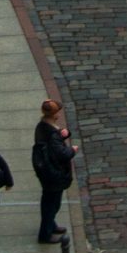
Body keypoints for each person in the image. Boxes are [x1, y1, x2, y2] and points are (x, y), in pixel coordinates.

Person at [31, 98, 76, 242]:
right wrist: (72, 150)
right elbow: (62, 154)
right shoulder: (51, 133)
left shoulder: (43, 126)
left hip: (47, 171)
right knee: (52, 204)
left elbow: (57, 138)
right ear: (54, 114)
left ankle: (51, 225)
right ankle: (45, 234)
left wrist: (64, 134)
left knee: (50, 202)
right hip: (53, 173)